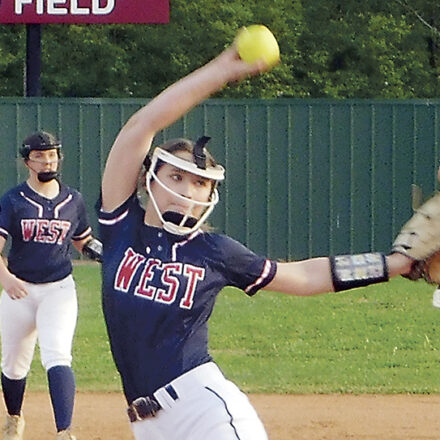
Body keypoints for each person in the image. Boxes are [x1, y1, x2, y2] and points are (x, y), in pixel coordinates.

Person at [98, 45, 413, 440]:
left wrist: (394, 264)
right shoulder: (121, 226)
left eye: (200, 183)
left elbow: (304, 277)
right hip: (149, 427)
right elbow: (141, 126)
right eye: (176, 177)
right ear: (150, 179)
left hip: (204, 410)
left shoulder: (213, 251)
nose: (187, 191)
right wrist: (221, 70)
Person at [0, 131, 102, 440]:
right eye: (40, 156)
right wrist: (6, 278)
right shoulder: (13, 200)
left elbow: (83, 240)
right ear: (27, 162)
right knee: (14, 365)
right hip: (19, 289)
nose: (47, 161)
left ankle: (64, 431)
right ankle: (14, 418)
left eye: (52, 155)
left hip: (58, 290)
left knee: (57, 355)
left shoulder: (73, 200)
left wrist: (106, 254)